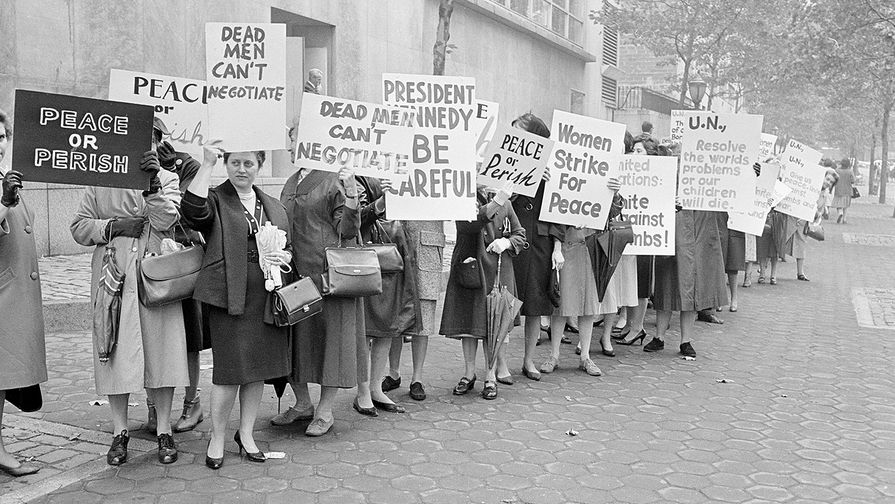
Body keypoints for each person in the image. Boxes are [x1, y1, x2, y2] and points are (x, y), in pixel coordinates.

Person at [71, 121, 189, 466]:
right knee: (114, 349)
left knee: (162, 348)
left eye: (149, 140)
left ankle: (164, 429)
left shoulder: (166, 179)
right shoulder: (100, 178)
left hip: (156, 273)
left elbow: (170, 220)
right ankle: (119, 431)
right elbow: (79, 226)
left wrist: (153, 187)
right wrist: (112, 227)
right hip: (113, 273)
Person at [181, 143, 292, 470]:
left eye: (248, 163)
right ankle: (217, 437)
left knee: (256, 371)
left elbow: (289, 247)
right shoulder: (215, 198)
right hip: (230, 298)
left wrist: (282, 256)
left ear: (259, 164)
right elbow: (192, 210)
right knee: (229, 373)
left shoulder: (272, 205)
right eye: (234, 163)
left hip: (265, 298)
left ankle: (245, 434)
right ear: (226, 164)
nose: (241, 170)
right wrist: (207, 163)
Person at [278, 165, 364, 436]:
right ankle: (302, 403)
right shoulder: (292, 180)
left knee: (332, 344)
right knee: (295, 341)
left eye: (295, 135)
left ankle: (325, 410)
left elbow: (347, 230)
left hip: (328, 277)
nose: (291, 142)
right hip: (294, 274)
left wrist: (351, 194)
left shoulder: (334, 179)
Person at [144, 140, 208, 434]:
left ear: (158, 138)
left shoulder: (185, 165)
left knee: (189, 338)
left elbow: (187, 212)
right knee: (150, 339)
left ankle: (191, 402)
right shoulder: (121, 169)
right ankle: (154, 408)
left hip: (180, 264)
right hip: (149, 266)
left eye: (150, 136)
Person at [441, 187, 526, 399]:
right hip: (471, 267)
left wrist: (507, 242)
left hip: (498, 270)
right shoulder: (464, 196)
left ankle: (490, 376)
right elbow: (469, 224)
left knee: (494, 324)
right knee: (469, 325)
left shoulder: (505, 203)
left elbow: (520, 234)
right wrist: (497, 201)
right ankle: (469, 374)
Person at [0, 110, 48, 477]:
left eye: (1, 137)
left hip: (12, 297)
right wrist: (4, 202)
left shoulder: (6, 179)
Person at [645, 148, 728, 357]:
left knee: (693, 289)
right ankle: (659, 337)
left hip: (699, 238)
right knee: (667, 286)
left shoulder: (711, 185)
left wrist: (751, 173)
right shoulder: (666, 181)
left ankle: (686, 340)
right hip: (671, 237)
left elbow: (734, 189)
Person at [543, 179, 623, 377]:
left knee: (588, 304)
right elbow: (554, 216)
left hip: (592, 248)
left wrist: (614, 193)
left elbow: (612, 213)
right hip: (569, 246)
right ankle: (554, 355)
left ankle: (585, 356)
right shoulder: (565, 181)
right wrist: (557, 246)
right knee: (561, 303)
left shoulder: (600, 181)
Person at [357, 176, 421, 412]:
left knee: (385, 327)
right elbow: (356, 216)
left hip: (394, 256)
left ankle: (375, 387)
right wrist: (382, 202)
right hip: (371, 257)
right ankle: (363, 391)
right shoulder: (356, 175)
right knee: (366, 330)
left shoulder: (400, 168)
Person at [509, 113, 564, 382]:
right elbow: (493, 200)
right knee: (506, 305)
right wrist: (518, 183)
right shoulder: (507, 164)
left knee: (534, 305)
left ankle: (528, 360)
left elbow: (557, 214)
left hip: (540, 246)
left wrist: (557, 247)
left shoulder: (552, 172)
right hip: (512, 244)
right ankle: (498, 364)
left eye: (524, 133)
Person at [792, 169, 839, 281]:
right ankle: (764, 268)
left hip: (805, 222)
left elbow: (820, 211)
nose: (828, 183)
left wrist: (818, 214)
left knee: (801, 244)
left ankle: (800, 272)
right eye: (827, 179)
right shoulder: (810, 187)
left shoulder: (825, 194)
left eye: (831, 182)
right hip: (795, 217)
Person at [832, 158, 856, 224]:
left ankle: (840, 213)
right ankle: (844, 219)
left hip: (838, 190)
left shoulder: (837, 170)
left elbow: (833, 179)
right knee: (846, 205)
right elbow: (853, 180)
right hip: (848, 190)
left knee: (838, 204)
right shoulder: (850, 171)